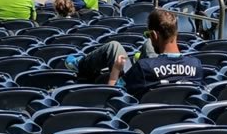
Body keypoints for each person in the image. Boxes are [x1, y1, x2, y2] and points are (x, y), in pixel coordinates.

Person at [69, 8, 203, 96]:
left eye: (148, 34)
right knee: (147, 45)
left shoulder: (144, 67)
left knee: (114, 47)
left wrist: (115, 71)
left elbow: (113, 94)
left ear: (155, 35)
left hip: (145, 86)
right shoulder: (196, 65)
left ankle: (80, 64)